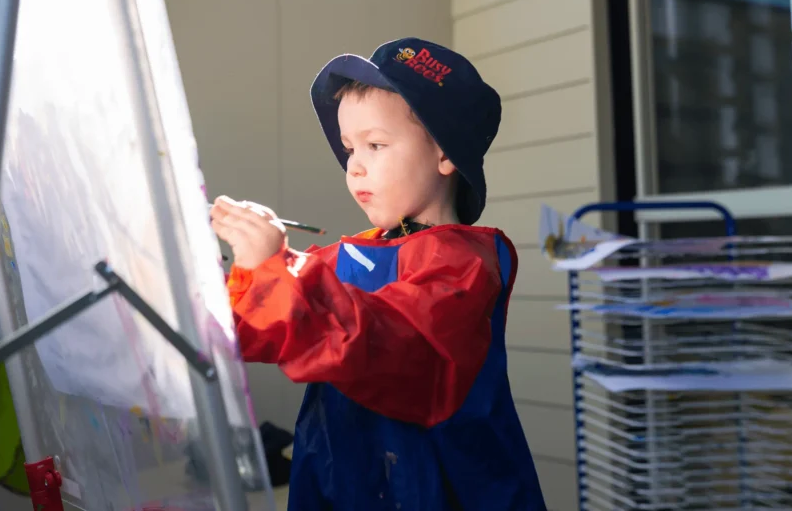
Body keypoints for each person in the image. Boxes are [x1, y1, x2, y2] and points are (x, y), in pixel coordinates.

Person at [210, 38, 546, 510]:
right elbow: (251, 328)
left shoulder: (466, 264)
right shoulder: (347, 254)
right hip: (337, 486)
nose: (355, 166)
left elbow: (388, 339)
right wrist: (220, 271)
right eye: (349, 148)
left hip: (436, 492)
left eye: (375, 144)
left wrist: (271, 269)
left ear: (445, 153)